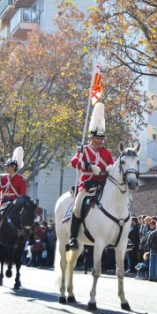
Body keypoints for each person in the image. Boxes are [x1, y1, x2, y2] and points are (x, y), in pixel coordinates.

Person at [68, 102, 114, 250]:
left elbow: (111, 166)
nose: (100, 141)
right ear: (91, 137)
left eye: (102, 139)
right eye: (97, 138)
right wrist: (87, 166)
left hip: (103, 184)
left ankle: (117, 235)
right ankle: (73, 237)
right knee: (77, 207)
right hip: (87, 185)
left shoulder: (106, 153)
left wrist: (108, 169)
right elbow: (74, 162)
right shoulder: (83, 149)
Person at [0, 147, 26, 224]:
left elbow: (22, 194)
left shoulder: (20, 179)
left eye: (8, 166)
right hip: (3, 202)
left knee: (27, 220)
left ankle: (28, 235)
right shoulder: (3, 178)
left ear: (13, 167)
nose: (6, 167)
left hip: (15, 203)